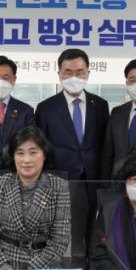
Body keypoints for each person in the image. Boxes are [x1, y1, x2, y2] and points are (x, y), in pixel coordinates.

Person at [35, 48, 110, 257]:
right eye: (68, 72)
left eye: (79, 72)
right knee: (61, 236)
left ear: (88, 73)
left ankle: (88, 266)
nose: (74, 77)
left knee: (92, 233)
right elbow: (41, 149)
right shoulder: (46, 108)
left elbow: (105, 144)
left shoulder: (100, 105)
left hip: (93, 180)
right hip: (60, 181)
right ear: (59, 73)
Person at [0, 125, 70, 270]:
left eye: (33, 152)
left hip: (43, 265)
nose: (26, 160)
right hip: (3, 263)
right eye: (20, 153)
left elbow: (60, 239)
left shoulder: (59, 186)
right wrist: (2, 266)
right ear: (13, 156)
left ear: (44, 155)